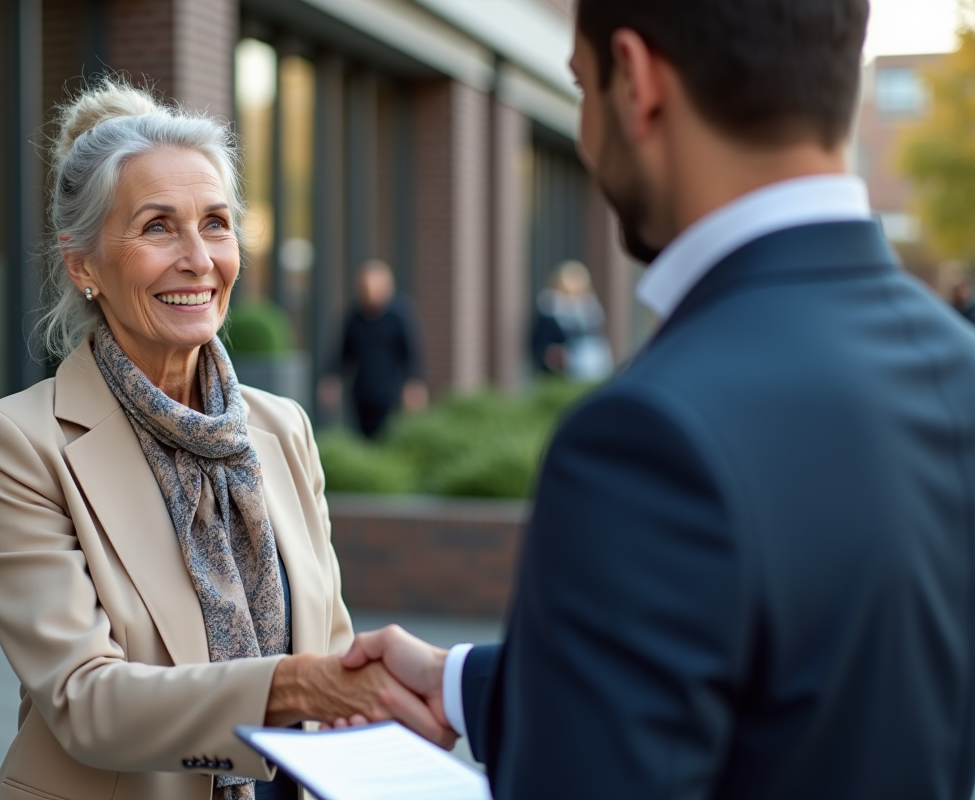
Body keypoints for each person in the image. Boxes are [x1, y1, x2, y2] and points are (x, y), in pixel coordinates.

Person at [337, 1, 975, 797]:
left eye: (580, 85)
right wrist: (461, 683)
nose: (583, 132)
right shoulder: (959, 361)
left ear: (634, 80)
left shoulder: (645, 435)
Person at [0, 80, 451, 800]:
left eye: (216, 223)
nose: (198, 258)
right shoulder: (13, 445)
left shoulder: (282, 427)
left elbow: (330, 646)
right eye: (158, 227)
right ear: (83, 264)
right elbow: (87, 703)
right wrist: (298, 688)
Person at [317, 260, 427, 438]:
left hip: (391, 391)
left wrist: (414, 383)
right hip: (362, 391)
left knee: (389, 436)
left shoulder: (400, 315)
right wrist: (331, 378)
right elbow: (344, 353)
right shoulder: (355, 317)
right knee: (364, 435)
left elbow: (412, 352)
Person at [529, 259, 614, 381]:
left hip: (591, 367)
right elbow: (538, 342)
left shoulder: (590, 309)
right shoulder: (549, 307)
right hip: (559, 372)